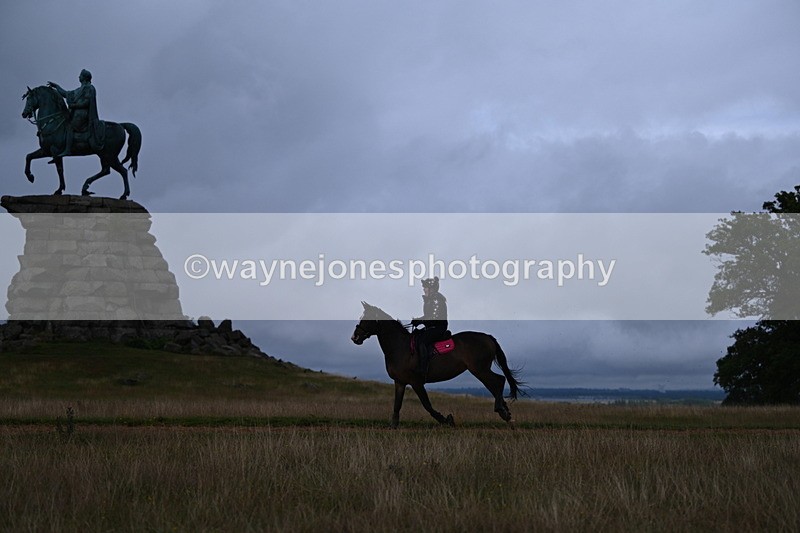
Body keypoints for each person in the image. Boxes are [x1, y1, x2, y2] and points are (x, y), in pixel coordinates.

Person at [47, 69, 105, 157]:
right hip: (76, 114)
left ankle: (67, 150)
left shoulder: (90, 88)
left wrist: (74, 106)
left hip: (83, 115)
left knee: (69, 126)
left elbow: (86, 102)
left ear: (84, 77)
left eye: (80, 75)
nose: (79, 77)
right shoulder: (79, 89)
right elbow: (66, 94)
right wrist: (57, 86)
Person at [411, 276, 448, 375]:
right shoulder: (430, 299)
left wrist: (420, 321)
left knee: (422, 341)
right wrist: (418, 320)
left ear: (432, 288)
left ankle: (423, 368)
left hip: (438, 328)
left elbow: (434, 317)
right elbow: (429, 316)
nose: (424, 289)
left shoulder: (436, 299)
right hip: (431, 327)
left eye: (425, 287)